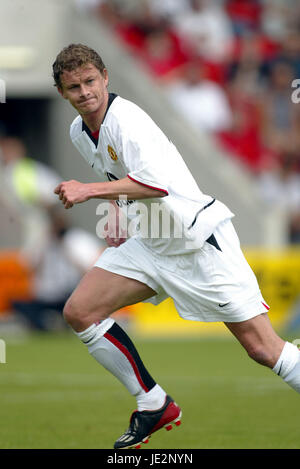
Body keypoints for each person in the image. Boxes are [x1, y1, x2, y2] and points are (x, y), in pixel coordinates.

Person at [52, 44, 300, 449]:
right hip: (150, 244)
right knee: (80, 311)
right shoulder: (79, 131)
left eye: (90, 81)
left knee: (263, 349)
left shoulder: (127, 120)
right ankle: (153, 403)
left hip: (196, 242)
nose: (85, 92)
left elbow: (155, 183)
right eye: (74, 86)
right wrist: (116, 207)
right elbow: (122, 177)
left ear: (106, 77)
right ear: (63, 93)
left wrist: (89, 191)